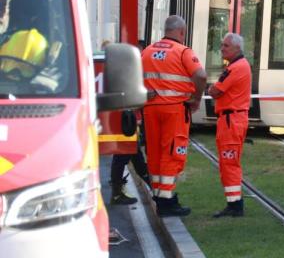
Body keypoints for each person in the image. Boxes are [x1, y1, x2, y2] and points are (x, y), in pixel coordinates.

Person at [141, 15, 206, 217]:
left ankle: (159, 195)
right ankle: (167, 201)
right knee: (171, 152)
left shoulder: (147, 52)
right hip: (174, 109)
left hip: (150, 109)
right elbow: (201, 76)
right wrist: (196, 98)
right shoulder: (182, 52)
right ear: (181, 32)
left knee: (155, 152)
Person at [100, 39, 151, 205]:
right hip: (127, 121)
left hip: (129, 120)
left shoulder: (123, 68)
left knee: (133, 155)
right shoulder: (125, 70)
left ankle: (149, 186)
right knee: (123, 155)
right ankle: (117, 192)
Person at [209, 33, 251, 218]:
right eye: (222, 45)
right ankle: (233, 203)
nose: (222, 48)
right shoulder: (237, 66)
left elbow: (216, 90)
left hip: (231, 120)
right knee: (228, 162)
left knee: (229, 162)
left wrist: (212, 89)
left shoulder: (236, 68)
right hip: (231, 119)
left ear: (236, 48)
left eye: (225, 46)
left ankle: (235, 205)